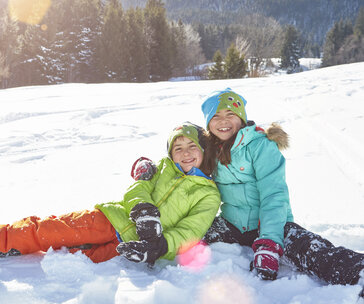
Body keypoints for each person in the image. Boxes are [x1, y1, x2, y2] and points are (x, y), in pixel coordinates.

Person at [133, 88, 364, 289]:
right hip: (231, 224)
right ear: (208, 124)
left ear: (241, 118)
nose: (223, 121)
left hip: (272, 224)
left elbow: (274, 196)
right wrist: (148, 166)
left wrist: (270, 242)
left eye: (230, 114)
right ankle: (149, 247)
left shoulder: (260, 146)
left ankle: (357, 271)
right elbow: (184, 158)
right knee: (189, 232)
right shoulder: (211, 149)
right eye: (216, 116)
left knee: (310, 250)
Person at [0, 123, 221, 268]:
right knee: (50, 230)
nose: (185, 153)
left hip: (125, 250)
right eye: (178, 148)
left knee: (64, 257)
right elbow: (139, 187)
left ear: (204, 150)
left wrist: (159, 246)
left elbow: (190, 231)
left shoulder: (208, 195)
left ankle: (3, 251)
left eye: (191, 146)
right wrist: (143, 209)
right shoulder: (161, 168)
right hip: (110, 220)